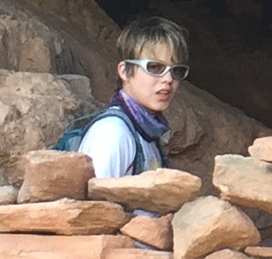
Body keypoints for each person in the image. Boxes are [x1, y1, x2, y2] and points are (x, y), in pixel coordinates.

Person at [72, 15, 190, 179]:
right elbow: (94, 195)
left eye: (176, 71)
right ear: (124, 71)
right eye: (155, 67)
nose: (169, 79)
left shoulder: (147, 132)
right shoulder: (112, 133)